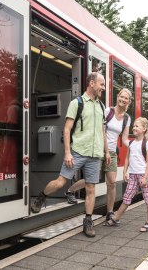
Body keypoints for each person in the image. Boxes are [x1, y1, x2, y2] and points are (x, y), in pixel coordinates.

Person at [30, 72, 109, 238]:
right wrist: (67, 153)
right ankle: (41, 197)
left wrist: (106, 151)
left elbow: (102, 130)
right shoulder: (77, 103)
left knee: (91, 188)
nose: (103, 88)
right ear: (92, 83)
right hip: (78, 152)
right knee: (60, 182)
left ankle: (88, 221)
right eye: (101, 84)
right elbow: (66, 129)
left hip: (95, 154)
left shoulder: (101, 106)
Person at [65, 89, 132, 222]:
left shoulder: (127, 118)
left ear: (128, 101)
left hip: (112, 152)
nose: (123, 100)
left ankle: (110, 212)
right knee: (92, 179)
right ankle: (70, 191)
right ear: (117, 97)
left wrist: (134, 145)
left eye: (126, 98)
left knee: (112, 183)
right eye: (121, 97)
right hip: (98, 149)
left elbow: (124, 139)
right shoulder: (107, 111)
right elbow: (101, 131)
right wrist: (105, 151)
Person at [104, 117, 148, 232]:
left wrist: (146, 177)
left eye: (137, 126)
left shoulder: (147, 144)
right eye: (134, 126)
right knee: (126, 198)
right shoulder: (131, 143)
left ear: (144, 129)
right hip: (132, 175)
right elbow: (127, 158)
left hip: (142, 175)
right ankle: (116, 218)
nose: (134, 128)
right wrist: (124, 171)